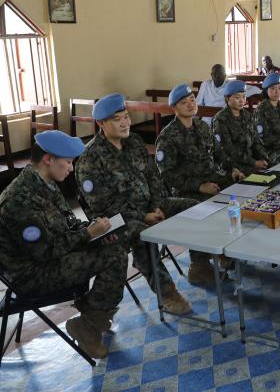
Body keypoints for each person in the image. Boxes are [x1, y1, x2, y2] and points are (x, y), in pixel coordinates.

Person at [0, 130, 128, 359]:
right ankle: (88, 325)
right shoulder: (19, 199)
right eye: (67, 162)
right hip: (31, 275)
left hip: (50, 259)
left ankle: (92, 316)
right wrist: (88, 235)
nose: (71, 169)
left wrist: (95, 233)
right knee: (114, 257)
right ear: (48, 159)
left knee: (113, 246)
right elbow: (44, 252)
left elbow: (68, 225)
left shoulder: (45, 184)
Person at [75, 94, 203, 300]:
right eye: (117, 120)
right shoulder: (90, 159)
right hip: (118, 219)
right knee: (142, 233)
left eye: (126, 117)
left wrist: (156, 206)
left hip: (150, 206)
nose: (125, 123)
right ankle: (168, 294)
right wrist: (143, 216)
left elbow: (153, 176)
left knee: (194, 207)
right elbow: (103, 207)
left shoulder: (134, 141)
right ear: (101, 123)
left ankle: (200, 264)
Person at [155, 83, 242, 201]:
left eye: (192, 100)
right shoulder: (167, 137)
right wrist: (200, 186)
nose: (191, 105)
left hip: (211, 179)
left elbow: (218, 152)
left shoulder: (203, 126)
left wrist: (232, 169)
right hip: (188, 191)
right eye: (184, 103)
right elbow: (168, 175)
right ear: (174, 108)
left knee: (242, 187)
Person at [212, 80, 270, 176]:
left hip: (251, 160)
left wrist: (264, 158)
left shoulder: (247, 115)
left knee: (274, 168)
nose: (242, 100)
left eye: (243, 96)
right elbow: (229, 150)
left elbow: (256, 140)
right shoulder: (220, 119)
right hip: (233, 165)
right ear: (227, 99)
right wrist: (254, 163)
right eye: (237, 97)